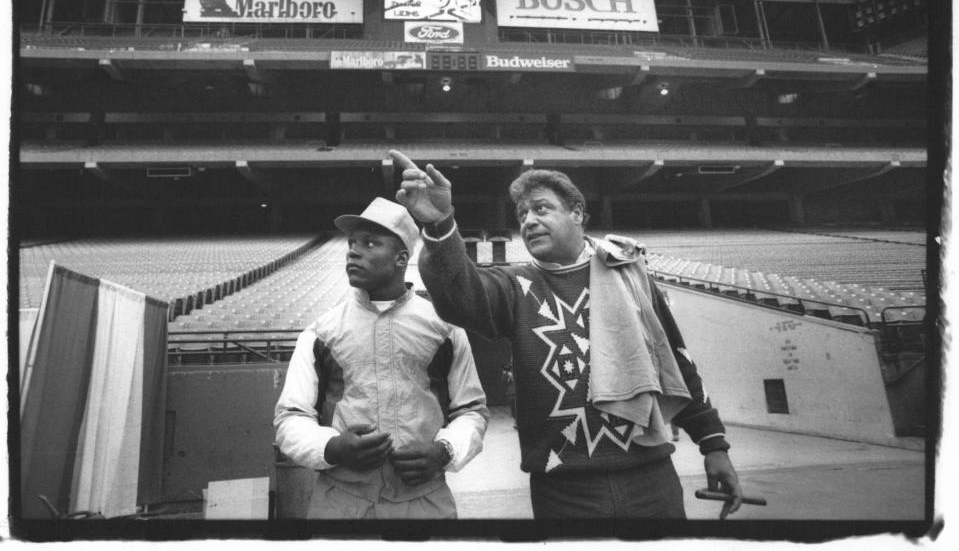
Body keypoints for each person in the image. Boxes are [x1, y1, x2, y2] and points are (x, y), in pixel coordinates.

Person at [389, 150, 744, 520]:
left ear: (576, 213)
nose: (529, 221)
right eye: (522, 215)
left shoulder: (631, 276)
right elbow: (458, 293)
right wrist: (440, 224)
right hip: (562, 490)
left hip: (650, 476)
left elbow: (676, 362)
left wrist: (713, 444)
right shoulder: (515, 286)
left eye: (541, 209)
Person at [273, 197, 489, 519]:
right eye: (351, 243)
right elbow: (289, 419)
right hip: (339, 503)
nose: (353, 251)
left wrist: (444, 451)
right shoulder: (320, 333)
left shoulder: (444, 329)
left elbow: (471, 411)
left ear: (401, 258)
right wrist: (333, 448)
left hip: (425, 502)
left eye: (370, 243)